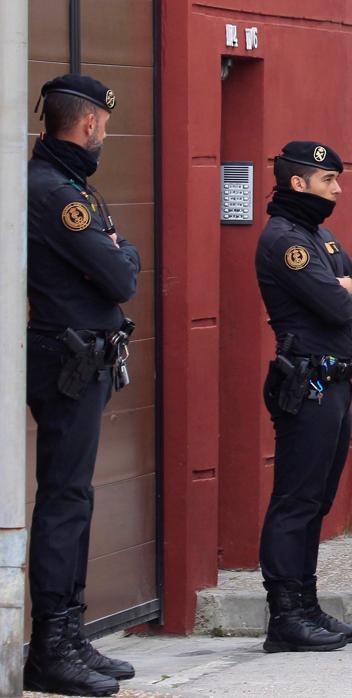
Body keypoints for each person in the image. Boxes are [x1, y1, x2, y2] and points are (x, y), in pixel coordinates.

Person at [24, 73, 141, 698]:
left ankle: (70, 633)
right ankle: (52, 645)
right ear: (89, 123)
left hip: (87, 359)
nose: (106, 136)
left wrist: (121, 255)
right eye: (105, 126)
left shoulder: (72, 188)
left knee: (77, 499)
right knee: (65, 501)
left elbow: (123, 261)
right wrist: (121, 255)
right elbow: (121, 275)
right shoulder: (55, 194)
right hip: (65, 360)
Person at [255, 141, 352, 653]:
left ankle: (306, 605)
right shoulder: (286, 241)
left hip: (334, 383)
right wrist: (346, 286)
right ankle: (285, 615)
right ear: (299, 183)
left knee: (317, 500)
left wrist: (350, 282)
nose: (338, 190)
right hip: (306, 384)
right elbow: (337, 305)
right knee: (296, 500)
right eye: (329, 181)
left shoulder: (320, 238)